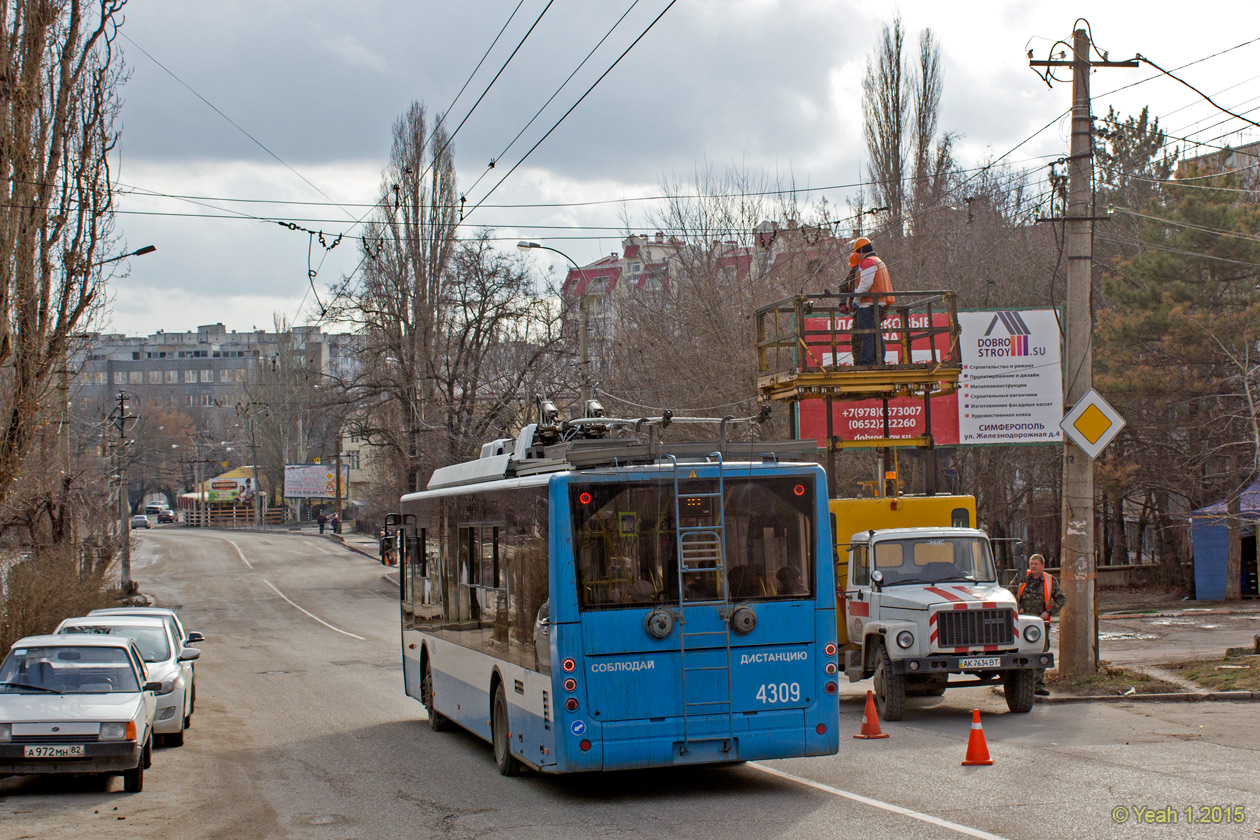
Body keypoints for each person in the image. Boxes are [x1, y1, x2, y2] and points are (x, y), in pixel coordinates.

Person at [1018, 553, 1066, 696]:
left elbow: (1061, 599)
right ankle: (1022, 687)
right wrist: (1017, 606)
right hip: (1022, 623)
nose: (1033, 566)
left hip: (1041, 623)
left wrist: (1049, 612)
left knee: (1041, 653)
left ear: (1042, 566)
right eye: (1031, 564)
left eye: (1036, 564)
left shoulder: (1050, 580)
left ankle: (1038, 686)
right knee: (1022, 654)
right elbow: (1009, 592)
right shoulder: (1022, 578)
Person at [850, 236, 894, 365]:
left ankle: (867, 360)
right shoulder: (878, 261)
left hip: (868, 303)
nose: (857, 255)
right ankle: (878, 358)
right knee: (876, 332)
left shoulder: (868, 262)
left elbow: (865, 284)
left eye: (858, 252)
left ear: (862, 250)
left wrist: (856, 299)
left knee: (867, 333)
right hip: (878, 302)